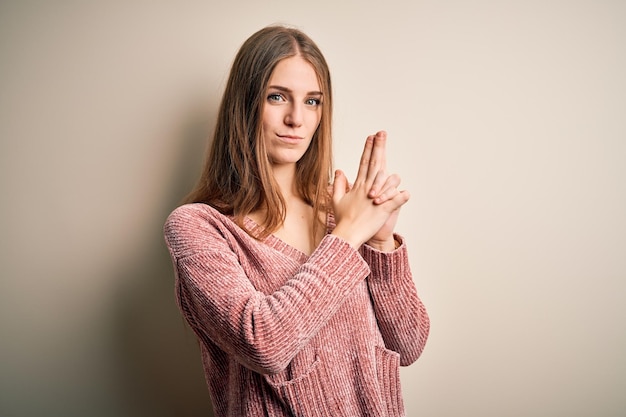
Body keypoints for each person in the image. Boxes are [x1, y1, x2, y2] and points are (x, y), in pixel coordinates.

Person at [164, 25, 429, 417]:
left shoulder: (337, 211)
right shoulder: (200, 227)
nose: (296, 119)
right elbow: (265, 342)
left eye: (312, 102)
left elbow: (409, 345)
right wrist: (350, 234)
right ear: (245, 104)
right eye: (277, 97)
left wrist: (381, 243)